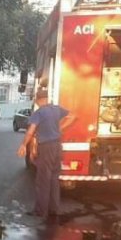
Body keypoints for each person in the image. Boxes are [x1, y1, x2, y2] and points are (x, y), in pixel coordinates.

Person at [16, 89, 76, 218]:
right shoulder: (56, 109)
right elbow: (72, 116)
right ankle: (54, 209)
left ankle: (40, 211)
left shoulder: (39, 113)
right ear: (47, 98)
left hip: (46, 147)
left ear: (38, 100)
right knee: (54, 179)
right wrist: (60, 129)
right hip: (57, 146)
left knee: (43, 180)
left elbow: (31, 130)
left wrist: (23, 145)